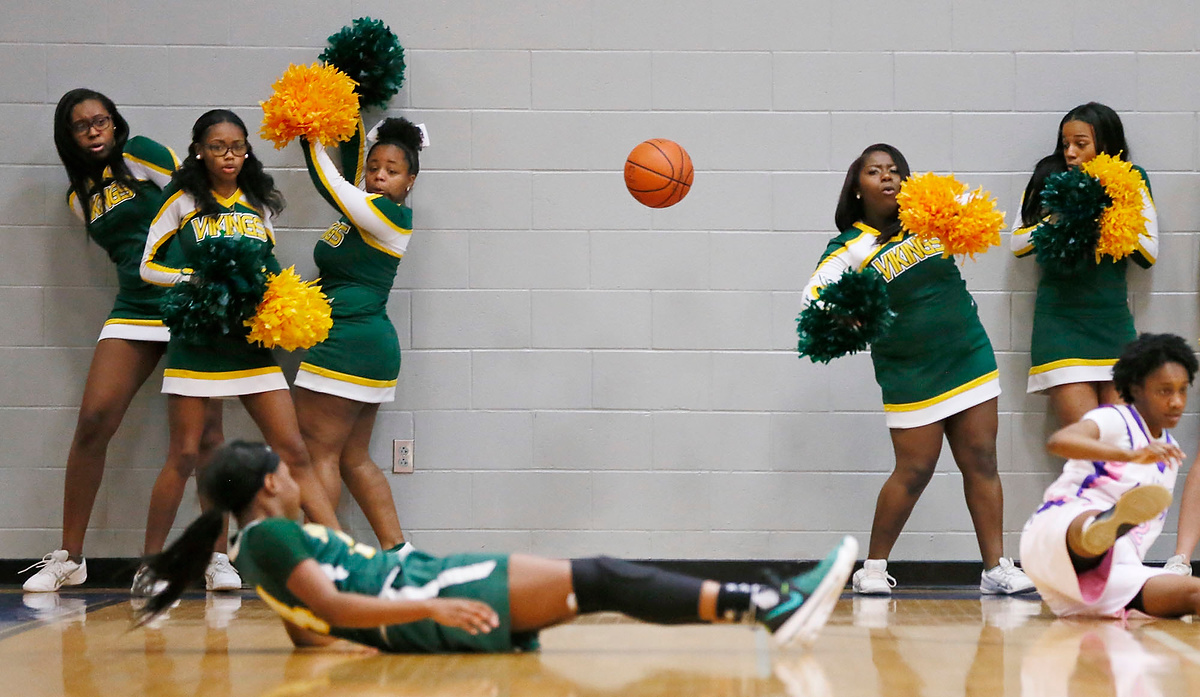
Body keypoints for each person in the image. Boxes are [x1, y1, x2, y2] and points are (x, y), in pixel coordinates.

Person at [134, 440, 859, 652]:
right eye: (286, 471)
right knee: (600, 576)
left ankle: (763, 602)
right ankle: (767, 602)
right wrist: (437, 613)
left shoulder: (260, 542)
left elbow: (309, 625)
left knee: (597, 581)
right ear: (268, 485)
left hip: (417, 588)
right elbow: (323, 603)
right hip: (425, 595)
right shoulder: (273, 535)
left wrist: (359, 637)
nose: (295, 477)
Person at [801, 144, 1033, 596]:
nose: (887, 177)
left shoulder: (929, 217)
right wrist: (846, 315)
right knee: (915, 469)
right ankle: (872, 567)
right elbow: (813, 297)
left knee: (982, 459)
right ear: (857, 187)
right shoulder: (851, 246)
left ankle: (995, 567)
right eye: (874, 171)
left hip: (967, 352)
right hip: (910, 370)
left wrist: (936, 197)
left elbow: (977, 209)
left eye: (894, 170)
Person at [21, 89, 223, 593]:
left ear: (116, 124)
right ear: (68, 136)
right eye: (82, 125)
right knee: (93, 421)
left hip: (187, 302)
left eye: (102, 121)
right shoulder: (78, 197)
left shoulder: (143, 153)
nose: (94, 131)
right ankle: (70, 558)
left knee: (207, 439)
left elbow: (198, 204)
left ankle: (216, 558)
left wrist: (212, 284)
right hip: (133, 308)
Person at [137, 109, 339, 593]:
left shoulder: (258, 204)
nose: (230, 156)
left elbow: (266, 268)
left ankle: (337, 554)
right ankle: (151, 565)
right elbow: (148, 266)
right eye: (219, 147)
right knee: (185, 454)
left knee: (293, 451)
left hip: (247, 345)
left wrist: (274, 297)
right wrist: (195, 280)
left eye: (238, 146)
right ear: (199, 151)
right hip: (198, 342)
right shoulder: (182, 200)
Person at [291, 117, 422, 551]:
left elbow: (330, 183)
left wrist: (306, 130)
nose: (380, 176)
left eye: (392, 170)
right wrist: (347, 107)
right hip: (365, 344)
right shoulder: (360, 210)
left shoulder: (386, 214)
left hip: (350, 343)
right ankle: (398, 553)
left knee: (316, 455)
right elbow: (349, 171)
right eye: (374, 167)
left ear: (410, 181)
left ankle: (330, 560)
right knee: (350, 457)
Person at [1019, 333, 1200, 619]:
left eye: (1182, 390)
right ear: (1137, 389)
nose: (1177, 401)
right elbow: (1060, 441)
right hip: (1058, 532)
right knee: (1093, 523)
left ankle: (1105, 540)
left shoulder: (1170, 452)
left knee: (1195, 593)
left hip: (1110, 573)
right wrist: (1128, 456)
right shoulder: (1116, 419)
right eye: (1165, 391)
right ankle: (1097, 531)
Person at [1011, 103, 1158, 425]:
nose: (1070, 152)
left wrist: (1104, 208)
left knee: (1121, 447)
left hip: (1113, 325)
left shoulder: (1131, 180)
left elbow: (1148, 254)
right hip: (1060, 327)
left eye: (1081, 143)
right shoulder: (1048, 177)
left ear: (1105, 144)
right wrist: (1064, 211)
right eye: (1066, 144)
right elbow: (1017, 244)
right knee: (1089, 451)